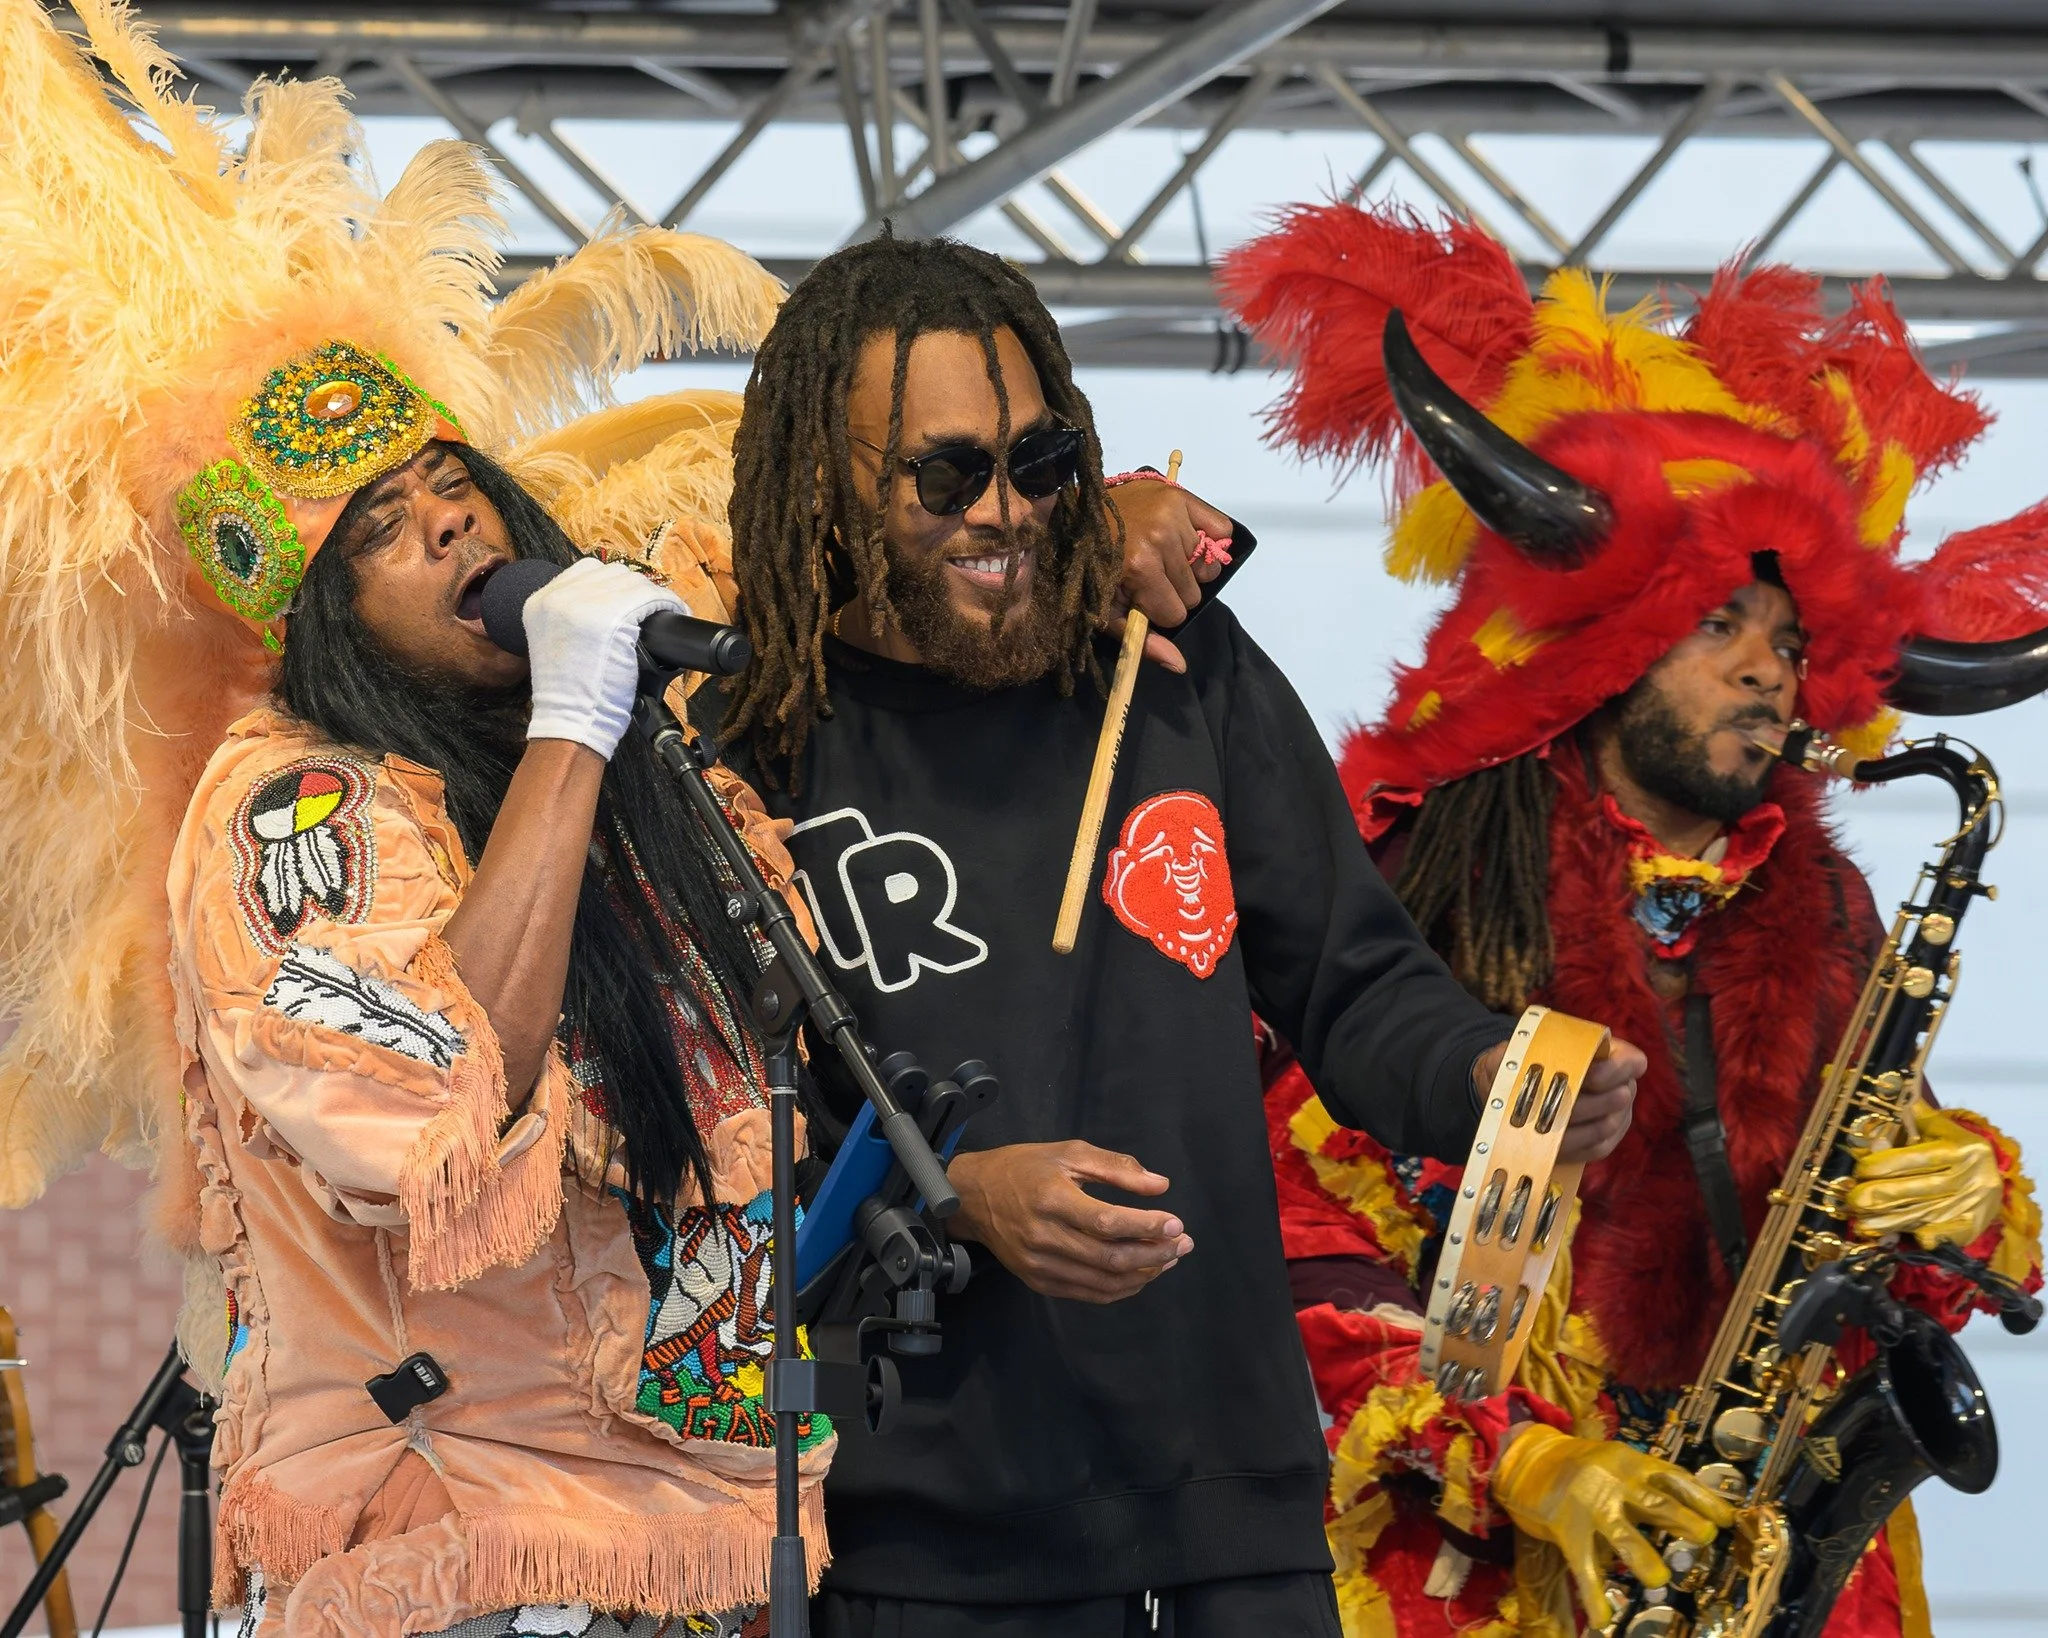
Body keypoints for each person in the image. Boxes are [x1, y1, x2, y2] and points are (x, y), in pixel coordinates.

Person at [0, 4, 835, 1630]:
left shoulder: (633, 782)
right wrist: (576, 726)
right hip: (447, 1551)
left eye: (458, 485)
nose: (451, 519)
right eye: (385, 525)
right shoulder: (287, 809)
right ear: (318, 616)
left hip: (706, 1551)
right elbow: (422, 1110)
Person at [710, 232, 1648, 1638]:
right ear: (824, 482)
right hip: (921, 1544)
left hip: (1236, 1515)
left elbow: (1354, 979)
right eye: (947, 474)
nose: (1008, 512)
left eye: (1041, 462)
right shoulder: (747, 754)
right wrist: (962, 1191)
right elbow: (721, 1154)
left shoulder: (1171, 671)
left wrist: (1492, 1079)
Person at [1218, 203, 2048, 1638]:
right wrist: (1534, 1460)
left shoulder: (1829, 905)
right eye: (1720, 623)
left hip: (1788, 1558)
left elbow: (1868, 1207)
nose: (1768, 672)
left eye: (1791, 641)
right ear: (1605, 639)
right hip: (1493, 1571)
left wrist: (1966, 1194)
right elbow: (1293, 1237)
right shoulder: (1415, 878)